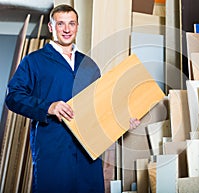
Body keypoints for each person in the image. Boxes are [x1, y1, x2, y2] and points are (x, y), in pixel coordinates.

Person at [5, 4, 140, 193]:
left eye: (71, 23)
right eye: (61, 24)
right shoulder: (34, 61)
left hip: (87, 150)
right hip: (53, 149)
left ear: (77, 26)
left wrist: (122, 120)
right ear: (51, 27)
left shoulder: (89, 65)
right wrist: (48, 107)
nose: (67, 29)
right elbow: (13, 96)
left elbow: (100, 107)